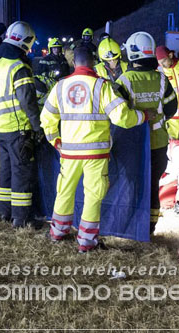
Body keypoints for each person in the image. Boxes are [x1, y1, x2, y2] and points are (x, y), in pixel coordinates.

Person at [42, 47, 148, 252]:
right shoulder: (102, 86)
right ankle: (86, 241)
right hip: (95, 153)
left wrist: (55, 140)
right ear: (94, 63)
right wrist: (143, 116)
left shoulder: (60, 86)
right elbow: (121, 117)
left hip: (69, 152)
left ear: (75, 63)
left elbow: (46, 118)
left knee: (64, 190)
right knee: (93, 195)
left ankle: (58, 231)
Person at [116, 31, 177, 235]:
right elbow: (171, 108)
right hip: (158, 144)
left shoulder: (123, 81)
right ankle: (149, 228)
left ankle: (131, 224)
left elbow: (117, 114)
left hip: (132, 145)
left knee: (131, 184)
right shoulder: (161, 80)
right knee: (152, 186)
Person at [0, 21, 44, 229]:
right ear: (25, 42)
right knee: (21, 172)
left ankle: (4, 213)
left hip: (0, 129)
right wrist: (38, 127)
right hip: (17, 129)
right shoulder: (20, 68)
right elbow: (28, 102)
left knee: (7, 172)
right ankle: (21, 218)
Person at [34, 37, 71, 104]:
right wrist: (49, 74)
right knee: (51, 98)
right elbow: (38, 73)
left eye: (58, 48)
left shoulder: (64, 59)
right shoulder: (45, 59)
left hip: (62, 82)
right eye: (54, 48)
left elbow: (67, 71)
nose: (56, 50)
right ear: (51, 49)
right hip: (50, 83)